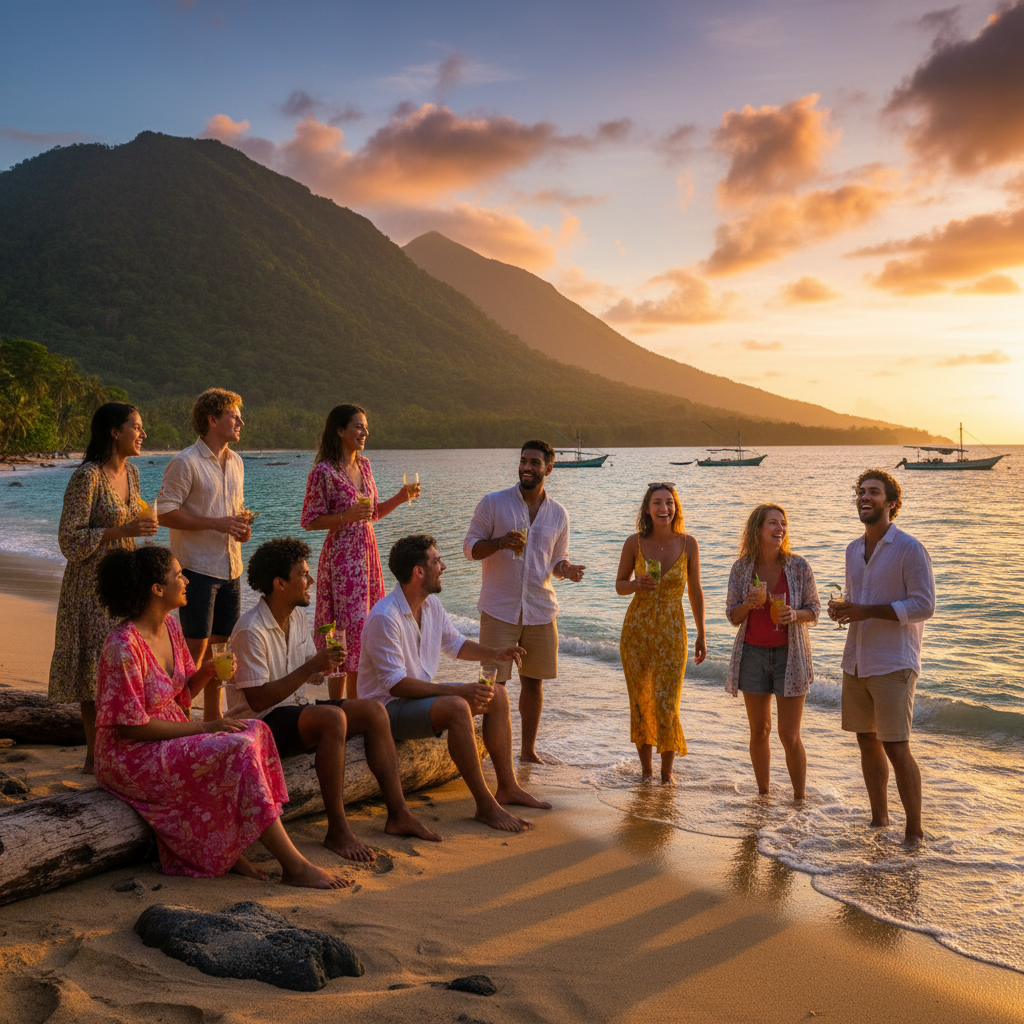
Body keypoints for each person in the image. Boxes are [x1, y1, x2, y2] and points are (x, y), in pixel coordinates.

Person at [93, 545, 349, 889]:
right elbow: (129, 727)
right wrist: (204, 728)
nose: (186, 581)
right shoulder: (122, 647)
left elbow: (181, 693)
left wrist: (208, 672)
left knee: (255, 730)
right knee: (236, 748)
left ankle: (232, 845)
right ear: (157, 589)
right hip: (129, 755)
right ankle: (294, 865)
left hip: (170, 734)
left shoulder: (170, 628)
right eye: (178, 575)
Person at [225, 537, 443, 863]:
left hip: (292, 710)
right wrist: (311, 667)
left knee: (373, 711)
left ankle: (398, 813)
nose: (311, 580)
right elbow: (258, 699)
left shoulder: (297, 618)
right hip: (259, 722)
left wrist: (322, 668)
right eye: (303, 575)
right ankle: (337, 829)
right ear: (279, 583)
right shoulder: (250, 630)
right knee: (333, 717)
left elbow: (305, 673)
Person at [358, 534, 553, 834]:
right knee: (457, 706)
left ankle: (507, 787)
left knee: (497, 695)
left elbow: (455, 644)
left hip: (413, 701)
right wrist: (457, 691)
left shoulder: (431, 606)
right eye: (437, 561)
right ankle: (485, 806)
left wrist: (496, 653)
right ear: (418, 572)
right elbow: (395, 685)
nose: (444, 566)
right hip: (386, 710)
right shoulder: (385, 617)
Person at [48, 403, 158, 774]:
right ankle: (95, 756)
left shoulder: (133, 473)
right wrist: (123, 530)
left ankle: (117, 749)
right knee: (95, 669)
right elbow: (69, 539)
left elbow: (133, 522)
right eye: (136, 427)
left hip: (124, 582)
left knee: (123, 663)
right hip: (90, 586)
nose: (143, 434)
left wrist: (142, 531)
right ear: (114, 431)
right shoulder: (88, 477)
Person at [463, 440, 585, 764]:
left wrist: (567, 570)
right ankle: (486, 751)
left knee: (534, 683)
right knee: (492, 684)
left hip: (541, 610)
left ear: (549, 468)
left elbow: (556, 561)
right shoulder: (493, 503)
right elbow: (469, 548)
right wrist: (500, 543)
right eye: (523, 461)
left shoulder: (558, 513)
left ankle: (527, 752)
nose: (527, 468)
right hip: (499, 608)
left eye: (534, 463)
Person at [830, 470, 935, 845]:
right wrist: (844, 610)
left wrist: (865, 610)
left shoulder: (909, 548)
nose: (865, 496)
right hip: (857, 659)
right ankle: (879, 822)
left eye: (873, 492)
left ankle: (914, 834)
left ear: (892, 503)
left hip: (894, 662)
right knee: (866, 740)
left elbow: (924, 605)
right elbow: (857, 601)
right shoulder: (852, 550)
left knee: (896, 745)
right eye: (861, 491)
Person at [301, 404, 418, 701]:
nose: (365, 432)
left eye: (365, 427)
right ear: (340, 430)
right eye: (358, 426)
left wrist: (401, 497)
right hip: (342, 558)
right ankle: (341, 705)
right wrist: (346, 515)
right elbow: (310, 521)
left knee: (367, 626)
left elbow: (372, 514)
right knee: (345, 630)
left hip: (367, 554)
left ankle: (357, 704)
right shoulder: (323, 472)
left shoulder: (364, 465)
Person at [158, 388, 251, 721]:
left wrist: (241, 529)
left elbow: (234, 512)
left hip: (231, 567)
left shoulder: (236, 462)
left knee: (221, 649)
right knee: (194, 650)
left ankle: (213, 717)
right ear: (213, 420)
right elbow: (163, 512)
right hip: (196, 569)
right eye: (234, 416)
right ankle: (178, 718)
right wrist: (216, 523)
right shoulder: (185, 462)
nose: (241, 422)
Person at [724, 504, 820, 801]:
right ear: (758, 529)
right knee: (759, 731)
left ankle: (800, 800)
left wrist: (795, 615)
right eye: (773, 523)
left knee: (789, 736)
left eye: (783, 523)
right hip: (752, 654)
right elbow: (733, 616)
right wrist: (748, 604)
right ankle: (763, 797)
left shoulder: (798, 566)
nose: (780, 529)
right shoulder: (742, 569)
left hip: (790, 655)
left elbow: (814, 610)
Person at [615, 483, 706, 784]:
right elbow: (619, 585)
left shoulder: (689, 544)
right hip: (637, 632)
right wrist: (635, 584)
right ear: (647, 508)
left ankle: (667, 774)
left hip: (673, 631)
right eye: (657, 502)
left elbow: (695, 591)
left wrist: (701, 633)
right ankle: (646, 772)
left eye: (669, 502)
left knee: (668, 702)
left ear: (675, 508)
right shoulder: (634, 543)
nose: (663, 508)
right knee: (642, 701)